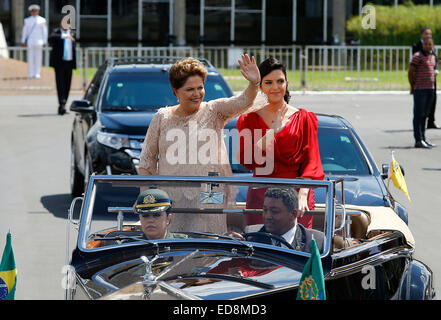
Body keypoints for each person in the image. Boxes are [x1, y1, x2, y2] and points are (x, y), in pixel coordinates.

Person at [138, 55, 261, 235]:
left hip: (209, 196)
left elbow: (243, 101)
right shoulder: (162, 118)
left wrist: (254, 84)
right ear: (175, 91)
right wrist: (146, 199)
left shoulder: (214, 111)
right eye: (190, 89)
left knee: (208, 247)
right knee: (175, 251)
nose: (197, 94)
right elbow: (146, 163)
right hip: (171, 199)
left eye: (200, 88)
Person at [236, 57, 324, 228]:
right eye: (268, 82)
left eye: (280, 81)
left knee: (297, 250)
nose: (275, 87)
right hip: (261, 197)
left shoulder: (304, 118)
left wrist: (303, 195)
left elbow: (312, 161)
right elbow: (247, 160)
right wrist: (272, 133)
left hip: (297, 197)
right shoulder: (248, 119)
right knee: (261, 250)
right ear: (260, 86)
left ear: (287, 83)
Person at [227, 188, 325, 253]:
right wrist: (227, 243)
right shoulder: (251, 236)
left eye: (275, 211)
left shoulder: (316, 242)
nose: (267, 216)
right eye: (265, 210)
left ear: (293, 214)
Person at [408, 36, 437, 149]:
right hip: (420, 90)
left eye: (430, 44)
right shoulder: (417, 57)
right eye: (426, 44)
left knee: (425, 115)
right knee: (418, 115)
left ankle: (423, 138)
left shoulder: (433, 56)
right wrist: (412, 86)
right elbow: (411, 72)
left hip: (430, 89)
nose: (428, 46)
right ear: (423, 45)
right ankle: (418, 139)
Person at [412, 28, 440, 130]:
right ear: (421, 35)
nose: (428, 35)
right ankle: (419, 135)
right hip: (421, 82)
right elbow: (412, 68)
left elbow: (435, 60)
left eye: (430, 34)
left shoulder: (431, 47)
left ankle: (431, 121)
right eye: (426, 33)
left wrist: (436, 70)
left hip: (431, 79)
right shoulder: (417, 47)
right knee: (420, 109)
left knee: (432, 102)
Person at [48, 19, 77, 115]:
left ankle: (64, 103)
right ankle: (61, 104)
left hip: (69, 63)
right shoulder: (56, 32)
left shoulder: (72, 33)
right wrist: (65, 36)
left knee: (67, 85)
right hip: (59, 63)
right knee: (60, 84)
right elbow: (51, 38)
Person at [21, 4, 47, 79]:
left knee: (38, 58)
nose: (34, 12)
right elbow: (24, 31)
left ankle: (37, 73)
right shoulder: (27, 20)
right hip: (30, 41)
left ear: (38, 11)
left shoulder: (42, 20)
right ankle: (30, 73)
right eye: (32, 11)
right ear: (30, 12)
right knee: (30, 58)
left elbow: (44, 32)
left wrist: (44, 41)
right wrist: (23, 40)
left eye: (35, 11)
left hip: (39, 41)